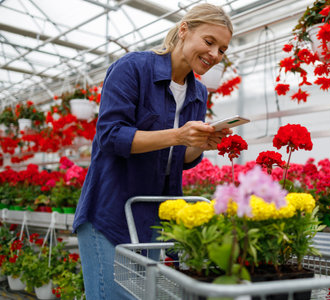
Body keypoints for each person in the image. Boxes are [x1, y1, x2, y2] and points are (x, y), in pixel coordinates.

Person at [72, 3, 233, 299]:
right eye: (209, 42)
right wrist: (178, 135)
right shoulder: (133, 68)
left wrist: (197, 144)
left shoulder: (198, 92)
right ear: (184, 30)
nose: (215, 55)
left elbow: (178, 160)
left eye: (222, 49)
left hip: (155, 219)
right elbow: (110, 135)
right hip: (111, 213)